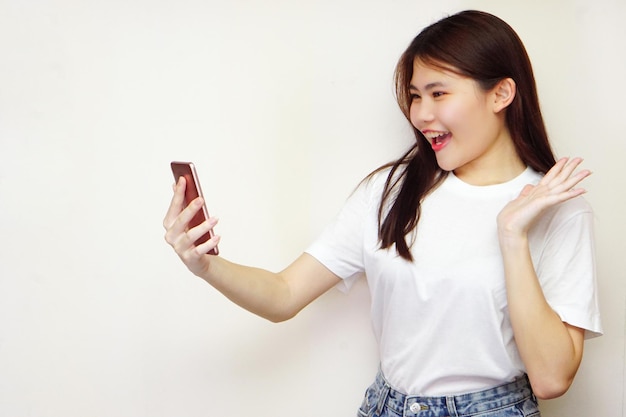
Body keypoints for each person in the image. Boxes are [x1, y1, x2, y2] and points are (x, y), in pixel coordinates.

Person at [163, 10, 602, 417]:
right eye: (415, 95)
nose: (421, 114)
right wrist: (206, 265)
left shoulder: (558, 211)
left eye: (439, 93)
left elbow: (550, 378)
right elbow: (282, 295)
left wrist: (511, 235)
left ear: (501, 93)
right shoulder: (391, 191)